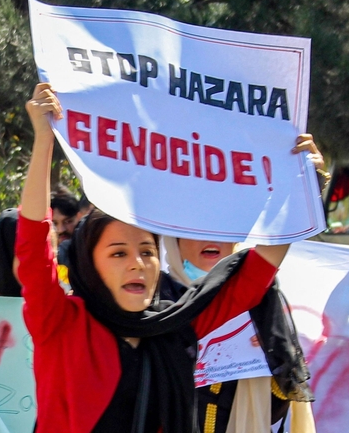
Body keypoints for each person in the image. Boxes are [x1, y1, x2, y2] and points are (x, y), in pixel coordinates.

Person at [19, 83, 302, 432]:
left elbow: (254, 276)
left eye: (147, 251)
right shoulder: (61, 322)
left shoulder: (177, 322)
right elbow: (32, 246)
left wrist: (300, 186)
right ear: (91, 265)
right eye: (118, 253)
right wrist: (44, 138)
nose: (137, 263)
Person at [163, 235, 315, 433]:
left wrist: (270, 356)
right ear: (174, 242)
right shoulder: (158, 304)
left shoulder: (260, 301)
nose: (212, 237)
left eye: (224, 230)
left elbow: (273, 412)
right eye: (197, 230)